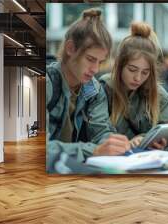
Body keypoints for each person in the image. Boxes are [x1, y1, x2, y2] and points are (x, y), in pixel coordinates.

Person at [46, 8, 131, 173]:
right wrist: (94, 151)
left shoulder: (95, 90)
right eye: (91, 59)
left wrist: (112, 144)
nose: (95, 69)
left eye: (100, 62)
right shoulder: (46, 84)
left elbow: (101, 132)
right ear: (70, 48)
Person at [99, 22, 168, 149]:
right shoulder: (105, 88)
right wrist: (125, 144)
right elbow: (99, 132)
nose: (138, 78)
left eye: (145, 72)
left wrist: (151, 140)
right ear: (119, 65)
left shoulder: (162, 96)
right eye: (132, 69)